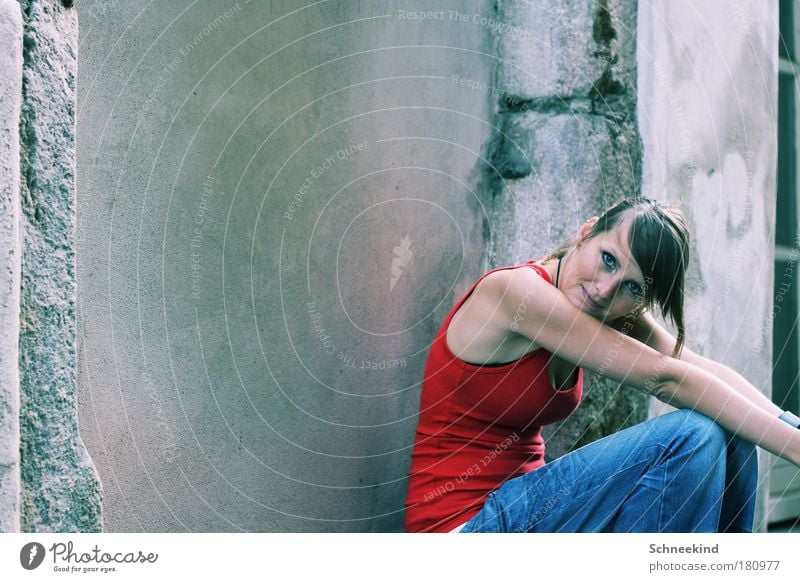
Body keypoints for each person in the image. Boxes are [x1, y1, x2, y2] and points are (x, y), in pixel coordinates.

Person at [403, 196, 800, 533]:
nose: (606, 289)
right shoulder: (516, 293)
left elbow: (695, 366)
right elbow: (667, 378)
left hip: (529, 511)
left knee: (733, 429)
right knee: (692, 433)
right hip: (462, 527)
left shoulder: (603, 306)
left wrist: (790, 426)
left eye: (631, 286)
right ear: (586, 232)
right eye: (607, 259)